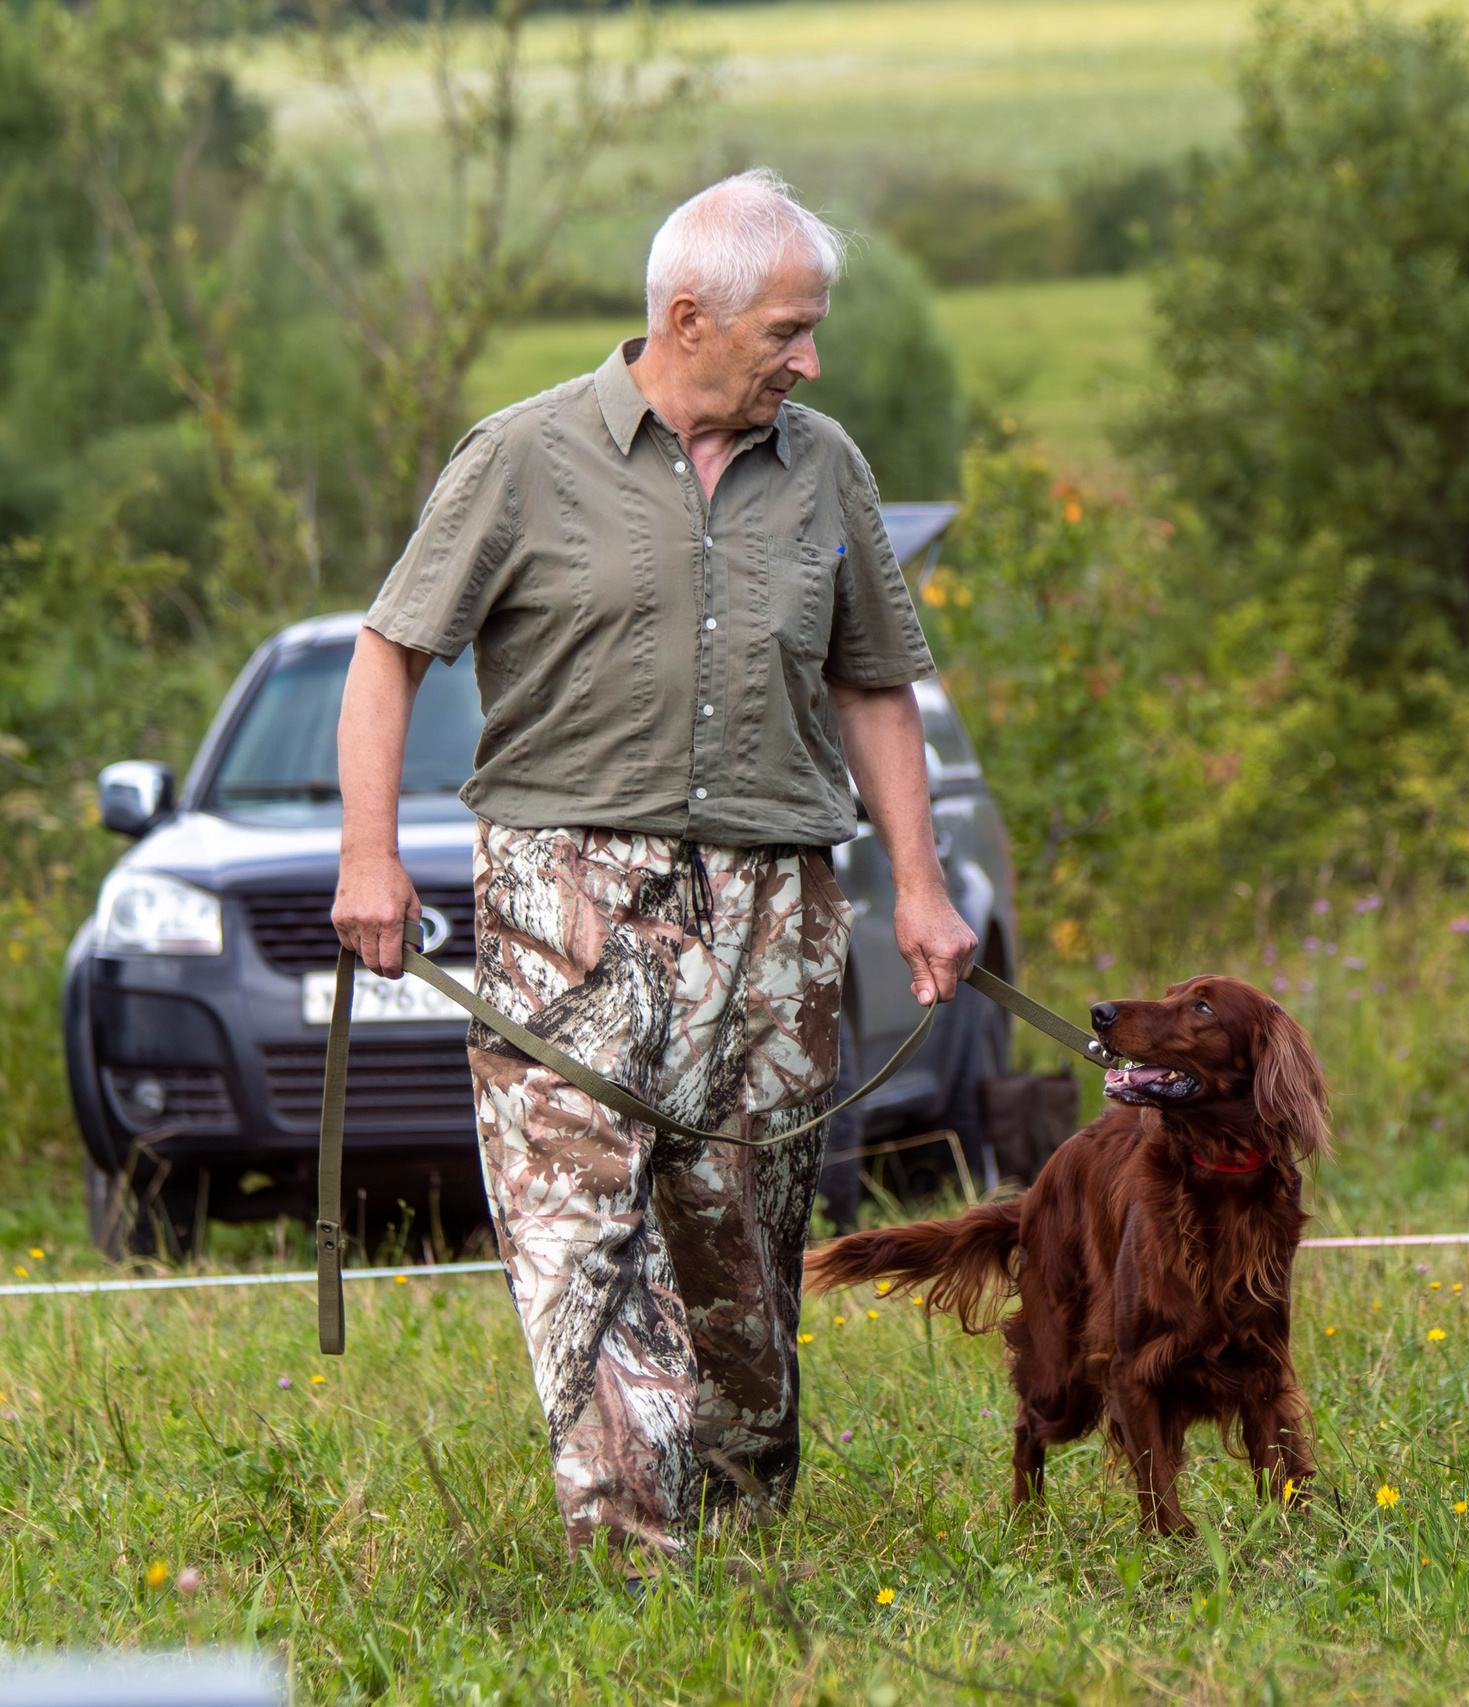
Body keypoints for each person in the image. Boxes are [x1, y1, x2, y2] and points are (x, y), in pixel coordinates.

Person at [332, 168, 977, 1563]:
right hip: (565, 901)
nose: (810, 360)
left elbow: (874, 684)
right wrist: (369, 858)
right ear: (689, 315)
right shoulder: (518, 455)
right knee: (583, 1241)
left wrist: (920, 887)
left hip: (778, 909)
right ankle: (631, 1558)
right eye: (787, 333)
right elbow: (388, 653)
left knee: (739, 1248)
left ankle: (743, 1530)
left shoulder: (829, 469)